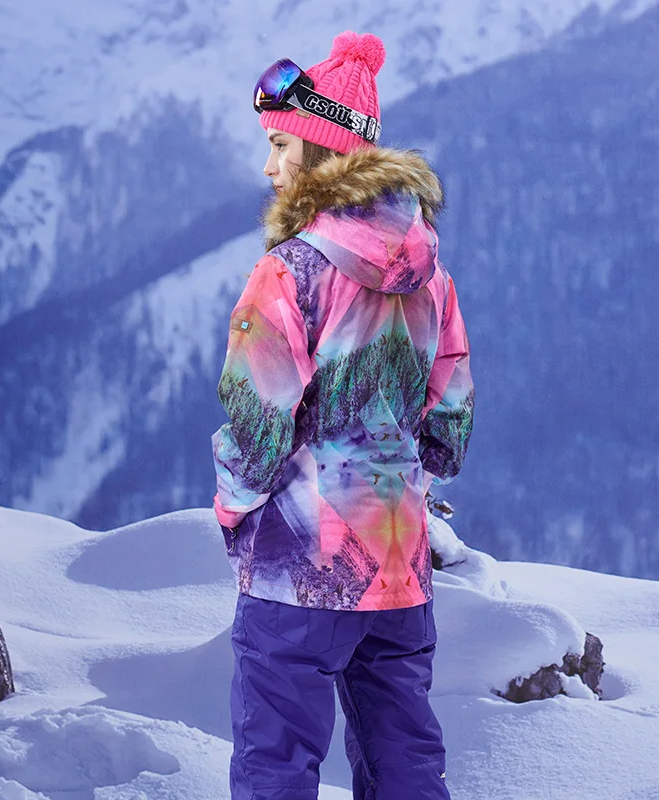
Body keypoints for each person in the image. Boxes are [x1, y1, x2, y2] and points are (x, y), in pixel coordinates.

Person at [212, 30, 474, 800]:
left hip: (302, 570)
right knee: (404, 761)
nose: (269, 166)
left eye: (282, 145)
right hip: (399, 567)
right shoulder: (432, 278)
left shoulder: (289, 271)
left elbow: (255, 423)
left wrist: (237, 511)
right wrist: (407, 480)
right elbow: (451, 417)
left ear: (323, 156)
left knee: (276, 761)